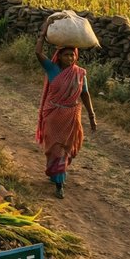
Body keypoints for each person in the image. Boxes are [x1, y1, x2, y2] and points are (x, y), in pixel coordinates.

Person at [35, 17, 97, 199]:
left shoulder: (80, 74)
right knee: (55, 148)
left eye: (72, 55)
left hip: (71, 115)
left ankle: (58, 176)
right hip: (53, 115)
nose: (69, 58)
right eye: (66, 55)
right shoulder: (52, 69)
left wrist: (92, 116)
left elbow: (85, 94)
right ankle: (59, 183)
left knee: (65, 149)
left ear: (76, 56)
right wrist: (44, 29)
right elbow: (38, 52)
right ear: (59, 56)